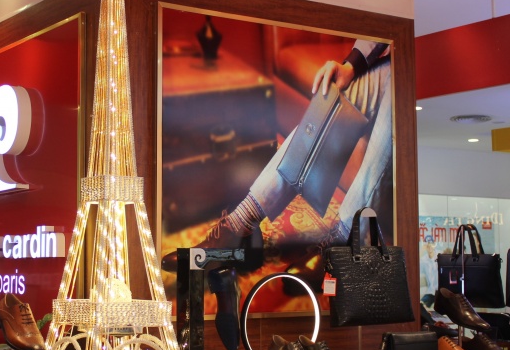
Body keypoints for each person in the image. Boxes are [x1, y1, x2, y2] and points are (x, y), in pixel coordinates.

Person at [164, 39, 392, 271]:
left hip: (409, 73)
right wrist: (351, 64)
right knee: (337, 97)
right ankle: (240, 225)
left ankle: (343, 244)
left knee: (397, 96)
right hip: (392, 61)